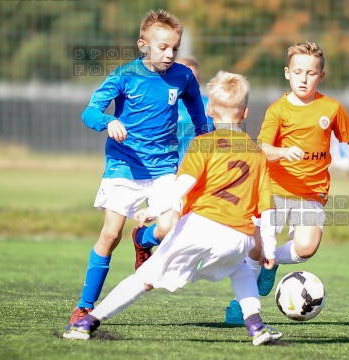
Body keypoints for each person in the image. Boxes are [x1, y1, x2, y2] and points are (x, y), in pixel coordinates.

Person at [63, 70, 283, 346]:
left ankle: (87, 322)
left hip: (200, 226)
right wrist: (270, 249)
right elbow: (267, 208)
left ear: (210, 110)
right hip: (239, 236)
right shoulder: (256, 152)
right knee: (240, 270)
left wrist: (155, 210)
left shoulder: (203, 144)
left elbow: (183, 185)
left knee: (144, 278)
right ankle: (256, 327)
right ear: (246, 112)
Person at [67, 10, 209, 330]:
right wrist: (109, 121)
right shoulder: (124, 76)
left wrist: (207, 137)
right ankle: (84, 306)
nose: (169, 54)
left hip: (163, 167)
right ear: (143, 44)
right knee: (110, 234)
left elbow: (199, 113)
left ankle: (143, 239)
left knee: (171, 224)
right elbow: (90, 112)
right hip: (124, 166)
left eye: (174, 47)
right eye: (162, 47)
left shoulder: (184, 76)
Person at [225, 41, 349, 324]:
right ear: (287, 73)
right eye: (298, 72)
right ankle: (242, 306)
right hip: (273, 189)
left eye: (310, 73)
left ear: (321, 76)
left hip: (311, 192)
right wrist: (284, 152)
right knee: (255, 250)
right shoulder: (279, 110)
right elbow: (263, 147)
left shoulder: (331, 108)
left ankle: (272, 264)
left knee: (306, 248)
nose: (304, 78)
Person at [131, 55, 215, 269]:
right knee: (167, 226)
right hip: (167, 174)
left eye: (191, 78)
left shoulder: (209, 108)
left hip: (197, 178)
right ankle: (142, 239)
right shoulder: (161, 103)